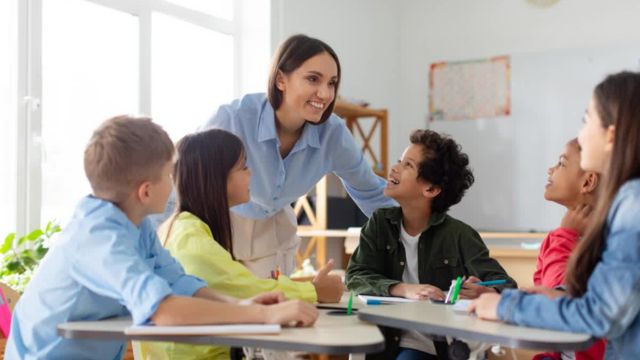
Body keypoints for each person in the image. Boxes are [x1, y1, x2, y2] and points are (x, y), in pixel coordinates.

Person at [4, 116, 318, 360]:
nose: (175, 182)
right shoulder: (99, 239)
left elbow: (179, 282)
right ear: (146, 191)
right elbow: (163, 310)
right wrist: (261, 315)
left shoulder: (134, 224)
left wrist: (240, 304)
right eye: (169, 174)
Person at [470, 71, 640, 359]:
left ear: (611, 135)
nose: (581, 134)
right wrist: (561, 297)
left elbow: (600, 315)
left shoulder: (633, 205)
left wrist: (504, 307)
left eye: (586, 120)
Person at [137, 128, 343, 359]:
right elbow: (244, 287)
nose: (250, 173)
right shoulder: (189, 238)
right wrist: (315, 291)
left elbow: (239, 287)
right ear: (217, 178)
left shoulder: (186, 229)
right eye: (243, 167)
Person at [201, 34, 396, 277]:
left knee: (274, 306)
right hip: (221, 221)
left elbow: (370, 190)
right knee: (220, 303)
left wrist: (422, 229)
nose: (325, 94)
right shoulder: (232, 120)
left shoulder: (333, 134)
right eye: (313, 79)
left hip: (274, 228)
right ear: (281, 79)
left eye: (332, 83)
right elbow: (183, 183)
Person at [346, 129, 516, 360]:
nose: (394, 168)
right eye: (399, 161)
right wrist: (402, 289)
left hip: (434, 347)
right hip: (386, 342)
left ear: (431, 189)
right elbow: (355, 275)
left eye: (408, 165)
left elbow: (507, 286)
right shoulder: (380, 223)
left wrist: (486, 291)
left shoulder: (460, 235)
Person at [533, 138, 605, 360]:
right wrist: (499, 296)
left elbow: (557, 300)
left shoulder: (609, 241)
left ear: (588, 181)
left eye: (562, 163)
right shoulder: (556, 239)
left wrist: (566, 235)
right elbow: (541, 298)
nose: (551, 169)